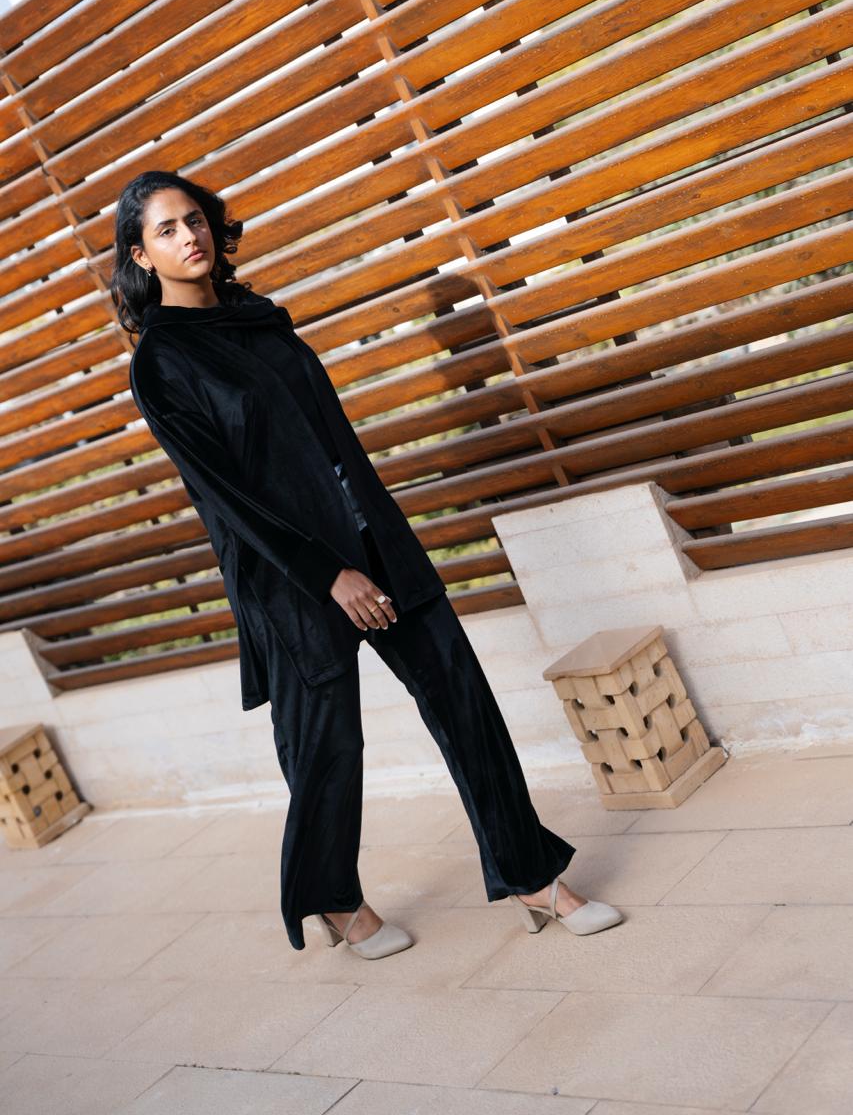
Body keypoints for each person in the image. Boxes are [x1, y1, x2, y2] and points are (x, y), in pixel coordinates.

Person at [113, 169, 623, 958]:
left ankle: (531, 876)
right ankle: (334, 900)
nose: (190, 237)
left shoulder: (260, 320)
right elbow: (229, 497)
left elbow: (330, 448)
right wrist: (328, 573)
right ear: (142, 256)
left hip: (374, 540)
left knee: (462, 700)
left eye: (195, 219)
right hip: (289, 578)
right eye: (167, 230)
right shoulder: (161, 362)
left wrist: (368, 542)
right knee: (326, 748)